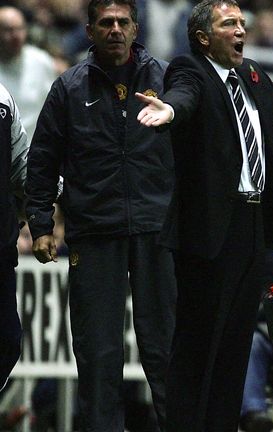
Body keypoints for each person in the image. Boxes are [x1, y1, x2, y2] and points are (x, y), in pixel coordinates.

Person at [133, 1, 273, 431]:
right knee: (197, 345)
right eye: (229, 24)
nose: (241, 30)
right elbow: (183, 96)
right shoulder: (190, 70)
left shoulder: (252, 74)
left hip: (254, 228)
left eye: (242, 23)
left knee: (236, 346)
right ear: (203, 37)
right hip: (208, 231)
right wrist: (169, 110)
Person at [24, 1, 176, 430]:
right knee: (98, 353)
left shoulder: (166, 79)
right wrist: (41, 225)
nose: (115, 30)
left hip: (156, 230)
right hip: (94, 233)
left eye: (122, 22)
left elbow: (196, 152)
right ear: (89, 31)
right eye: (105, 23)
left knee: (166, 349)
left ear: (135, 27)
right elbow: (43, 160)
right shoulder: (69, 87)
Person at [0, 82, 28, 392]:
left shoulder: (2, 97)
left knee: (7, 341)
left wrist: (58, 188)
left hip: (1, 248)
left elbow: (21, 165)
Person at [0, 5, 59, 139]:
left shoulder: (41, 61)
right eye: (8, 30)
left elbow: (55, 109)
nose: (16, 35)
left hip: (36, 148)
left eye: (20, 28)